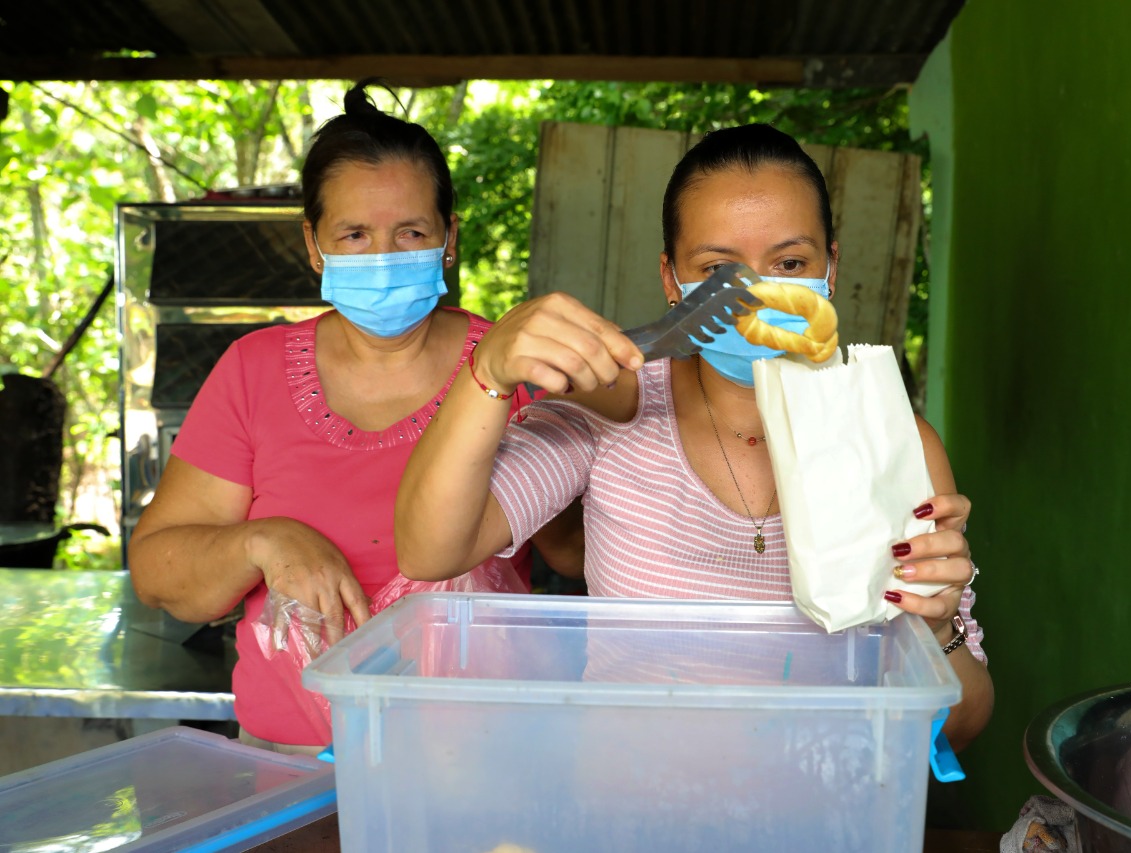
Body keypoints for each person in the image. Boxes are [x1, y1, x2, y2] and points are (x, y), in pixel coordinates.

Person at [395, 124, 994, 749]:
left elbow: (965, 721)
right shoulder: (612, 412)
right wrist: (486, 373)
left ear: (831, 268)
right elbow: (430, 550)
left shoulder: (894, 442)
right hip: (630, 809)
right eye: (717, 268)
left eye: (789, 263)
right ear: (671, 280)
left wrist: (937, 628)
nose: (755, 294)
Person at [127, 79, 577, 753]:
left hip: (476, 762)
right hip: (287, 769)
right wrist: (265, 541)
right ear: (315, 245)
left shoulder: (516, 371)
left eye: (411, 232)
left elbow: (579, 556)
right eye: (355, 234)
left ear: (448, 239)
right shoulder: (254, 372)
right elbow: (162, 577)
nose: (385, 257)